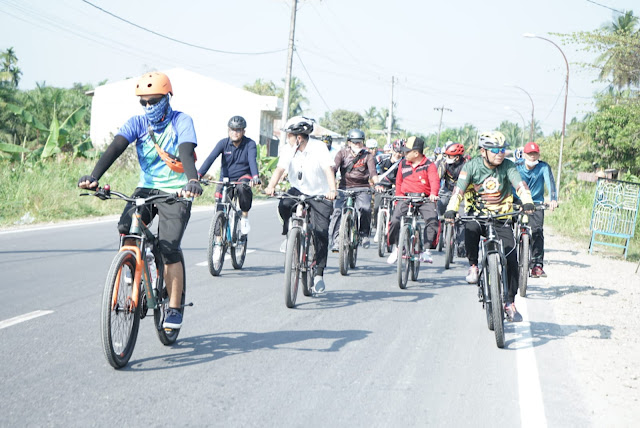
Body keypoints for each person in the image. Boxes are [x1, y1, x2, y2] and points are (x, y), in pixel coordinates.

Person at [78, 71, 201, 329]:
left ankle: (175, 307)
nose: (148, 106)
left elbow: (186, 151)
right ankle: (132, 264)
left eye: (153, 100)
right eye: (143, 101)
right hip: (146, 188)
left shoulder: (181, 121)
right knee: (126, 229)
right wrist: (93, 176)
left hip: (176, 191)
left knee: (169, 248)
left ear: (167, 97)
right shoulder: (137, 123)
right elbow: (115, 147)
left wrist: (192, 180)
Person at [444, 131, 534, 322]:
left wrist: (527, 201)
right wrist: (452, 209)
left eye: (502, 149)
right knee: (470, 229)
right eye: (495, 150)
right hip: (478, 214)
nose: (500, 153)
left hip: (502, 216)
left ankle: (509, 303)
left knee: (511, 259)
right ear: (483, 151)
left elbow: (520, 185)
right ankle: (473, 266)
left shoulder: (508, 166)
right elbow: (459, 190)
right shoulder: (471, 166)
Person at [264, 116, 337, 294]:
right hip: (297, 189)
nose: (287, 137)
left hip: (319, 193)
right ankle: (289, 235)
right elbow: (280, 169)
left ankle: (318, 273)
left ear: (299, 137)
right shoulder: (288, 149)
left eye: (289, 134)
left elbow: (329, 169)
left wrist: (332, 190)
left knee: (321, 232)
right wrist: (271, 186)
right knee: (284, 204)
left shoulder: (318, 147)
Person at [198, 115, 260, 235]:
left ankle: (245, 217)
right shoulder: (223, 143)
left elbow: (252, 160)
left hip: (243, 177)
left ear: (243, 131)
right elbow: (210, 158)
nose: (235, 133)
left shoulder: (250, 144)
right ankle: (217, 241)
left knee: (243, 187)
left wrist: (255, 176)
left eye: (238, 130)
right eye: (232, 129)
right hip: (226, 179)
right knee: (219, 207)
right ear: (228, 130)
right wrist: (198, 175)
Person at [386, 136, 440, 264]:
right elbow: (399, 182)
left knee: (432, 220)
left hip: (424, 198)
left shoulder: (429, 165)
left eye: (407, 151)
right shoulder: (403, 164)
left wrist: (433, 194)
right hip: (405, 197)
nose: (404, 154)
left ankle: (426, 250)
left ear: (416, 153)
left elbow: (434, 181)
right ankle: (397, 248)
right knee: (394, 220)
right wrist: (398, 198)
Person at [329, 129, 379, 251]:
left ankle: (364, 234)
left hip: (363, 188)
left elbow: (373, 172)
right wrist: (331, 186)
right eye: (355, 142)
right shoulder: (341, 153)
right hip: (344, 188)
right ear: (349, 142)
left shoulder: (368, 156)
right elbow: (333, 169)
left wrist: (377, 184)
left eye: (360, 142)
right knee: (337, 211)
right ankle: (336, 240)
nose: (358, 145)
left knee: (365, 208)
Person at [515, 141, 559, 278]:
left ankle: (537, 265)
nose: (532, 157)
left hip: (536, 203)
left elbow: (550, 182)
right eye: (529, 154)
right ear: (524, 155)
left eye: (535, 154)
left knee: (537, 231)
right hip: (517, 201)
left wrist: (553, 199)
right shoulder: (517, 166)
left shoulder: (543, 167)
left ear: (538, 155)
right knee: (506, 227)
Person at [436, 141, 468, 257]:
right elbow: (437, 178)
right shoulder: (444, 163)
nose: (447, 158)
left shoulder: (467, 165)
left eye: (450, 156)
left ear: (458, 157)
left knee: (462, 219)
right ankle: (441, 227)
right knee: (440, 204)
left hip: (462, 193)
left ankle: (461, 244)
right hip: (447, 190)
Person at [373, 139, 404, 243]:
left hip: (397, 187)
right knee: (377, 206)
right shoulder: (381, 158)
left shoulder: (405, 162)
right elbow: (371, 166)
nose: (398, 154)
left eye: (401, 152)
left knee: (397, 210)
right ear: (392, 149)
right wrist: (377, 183)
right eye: (396, 151)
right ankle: (377, 228)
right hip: (382, 185)